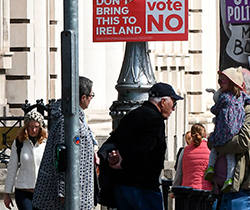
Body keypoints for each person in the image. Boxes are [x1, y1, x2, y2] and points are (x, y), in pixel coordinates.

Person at [105, 82, 183, 210]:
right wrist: (124, 164)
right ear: (163, 102)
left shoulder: (131, 115)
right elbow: (145, 150)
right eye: (173, 103)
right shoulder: (156, 121)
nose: (173, 109)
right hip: (143, 186)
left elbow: (114, 140)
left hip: (122, 185)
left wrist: (115, 158)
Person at [33, 76, 97, 210]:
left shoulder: (76, 119)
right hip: (58, 202)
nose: (92, 99)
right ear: (83, 97)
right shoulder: (67, 122)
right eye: (91, 95)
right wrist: (63, 192)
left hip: (77, 196)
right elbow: (61, 157)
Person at [213, 69, 250, 209]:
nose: (220, 85)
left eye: (224, 81)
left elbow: (243, 142)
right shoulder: (231, 109)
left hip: (245, 188)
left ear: (240, 85)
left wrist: (217, 144)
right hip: (230, 188)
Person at [204, 67, 250, 194]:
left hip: (223, 129)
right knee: (230, 156)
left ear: (231, 83)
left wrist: (214, 106)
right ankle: (229, 179)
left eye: (222, 81)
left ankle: (210, 167)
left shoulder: (224, 97)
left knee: (214, 146)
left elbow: (215, 109)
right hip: (235, 130)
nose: (219, 82)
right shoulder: (241, 97)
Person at [4, 110, 47, 210]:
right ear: (26, 127)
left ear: (40, 127)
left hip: (42, 192)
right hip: (23, 191)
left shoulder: (46, 143)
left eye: (36, 127)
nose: (33, 130)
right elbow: (12, 168)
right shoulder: (19, 143)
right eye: (31, 127)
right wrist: (7, 193)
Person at [173, 123, 212, 191]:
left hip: (187, 191)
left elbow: (179, 174)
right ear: (205, 135)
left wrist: (174, 189)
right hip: (206, 191)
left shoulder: (185, 151)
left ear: (191, 135)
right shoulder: (210, 150)